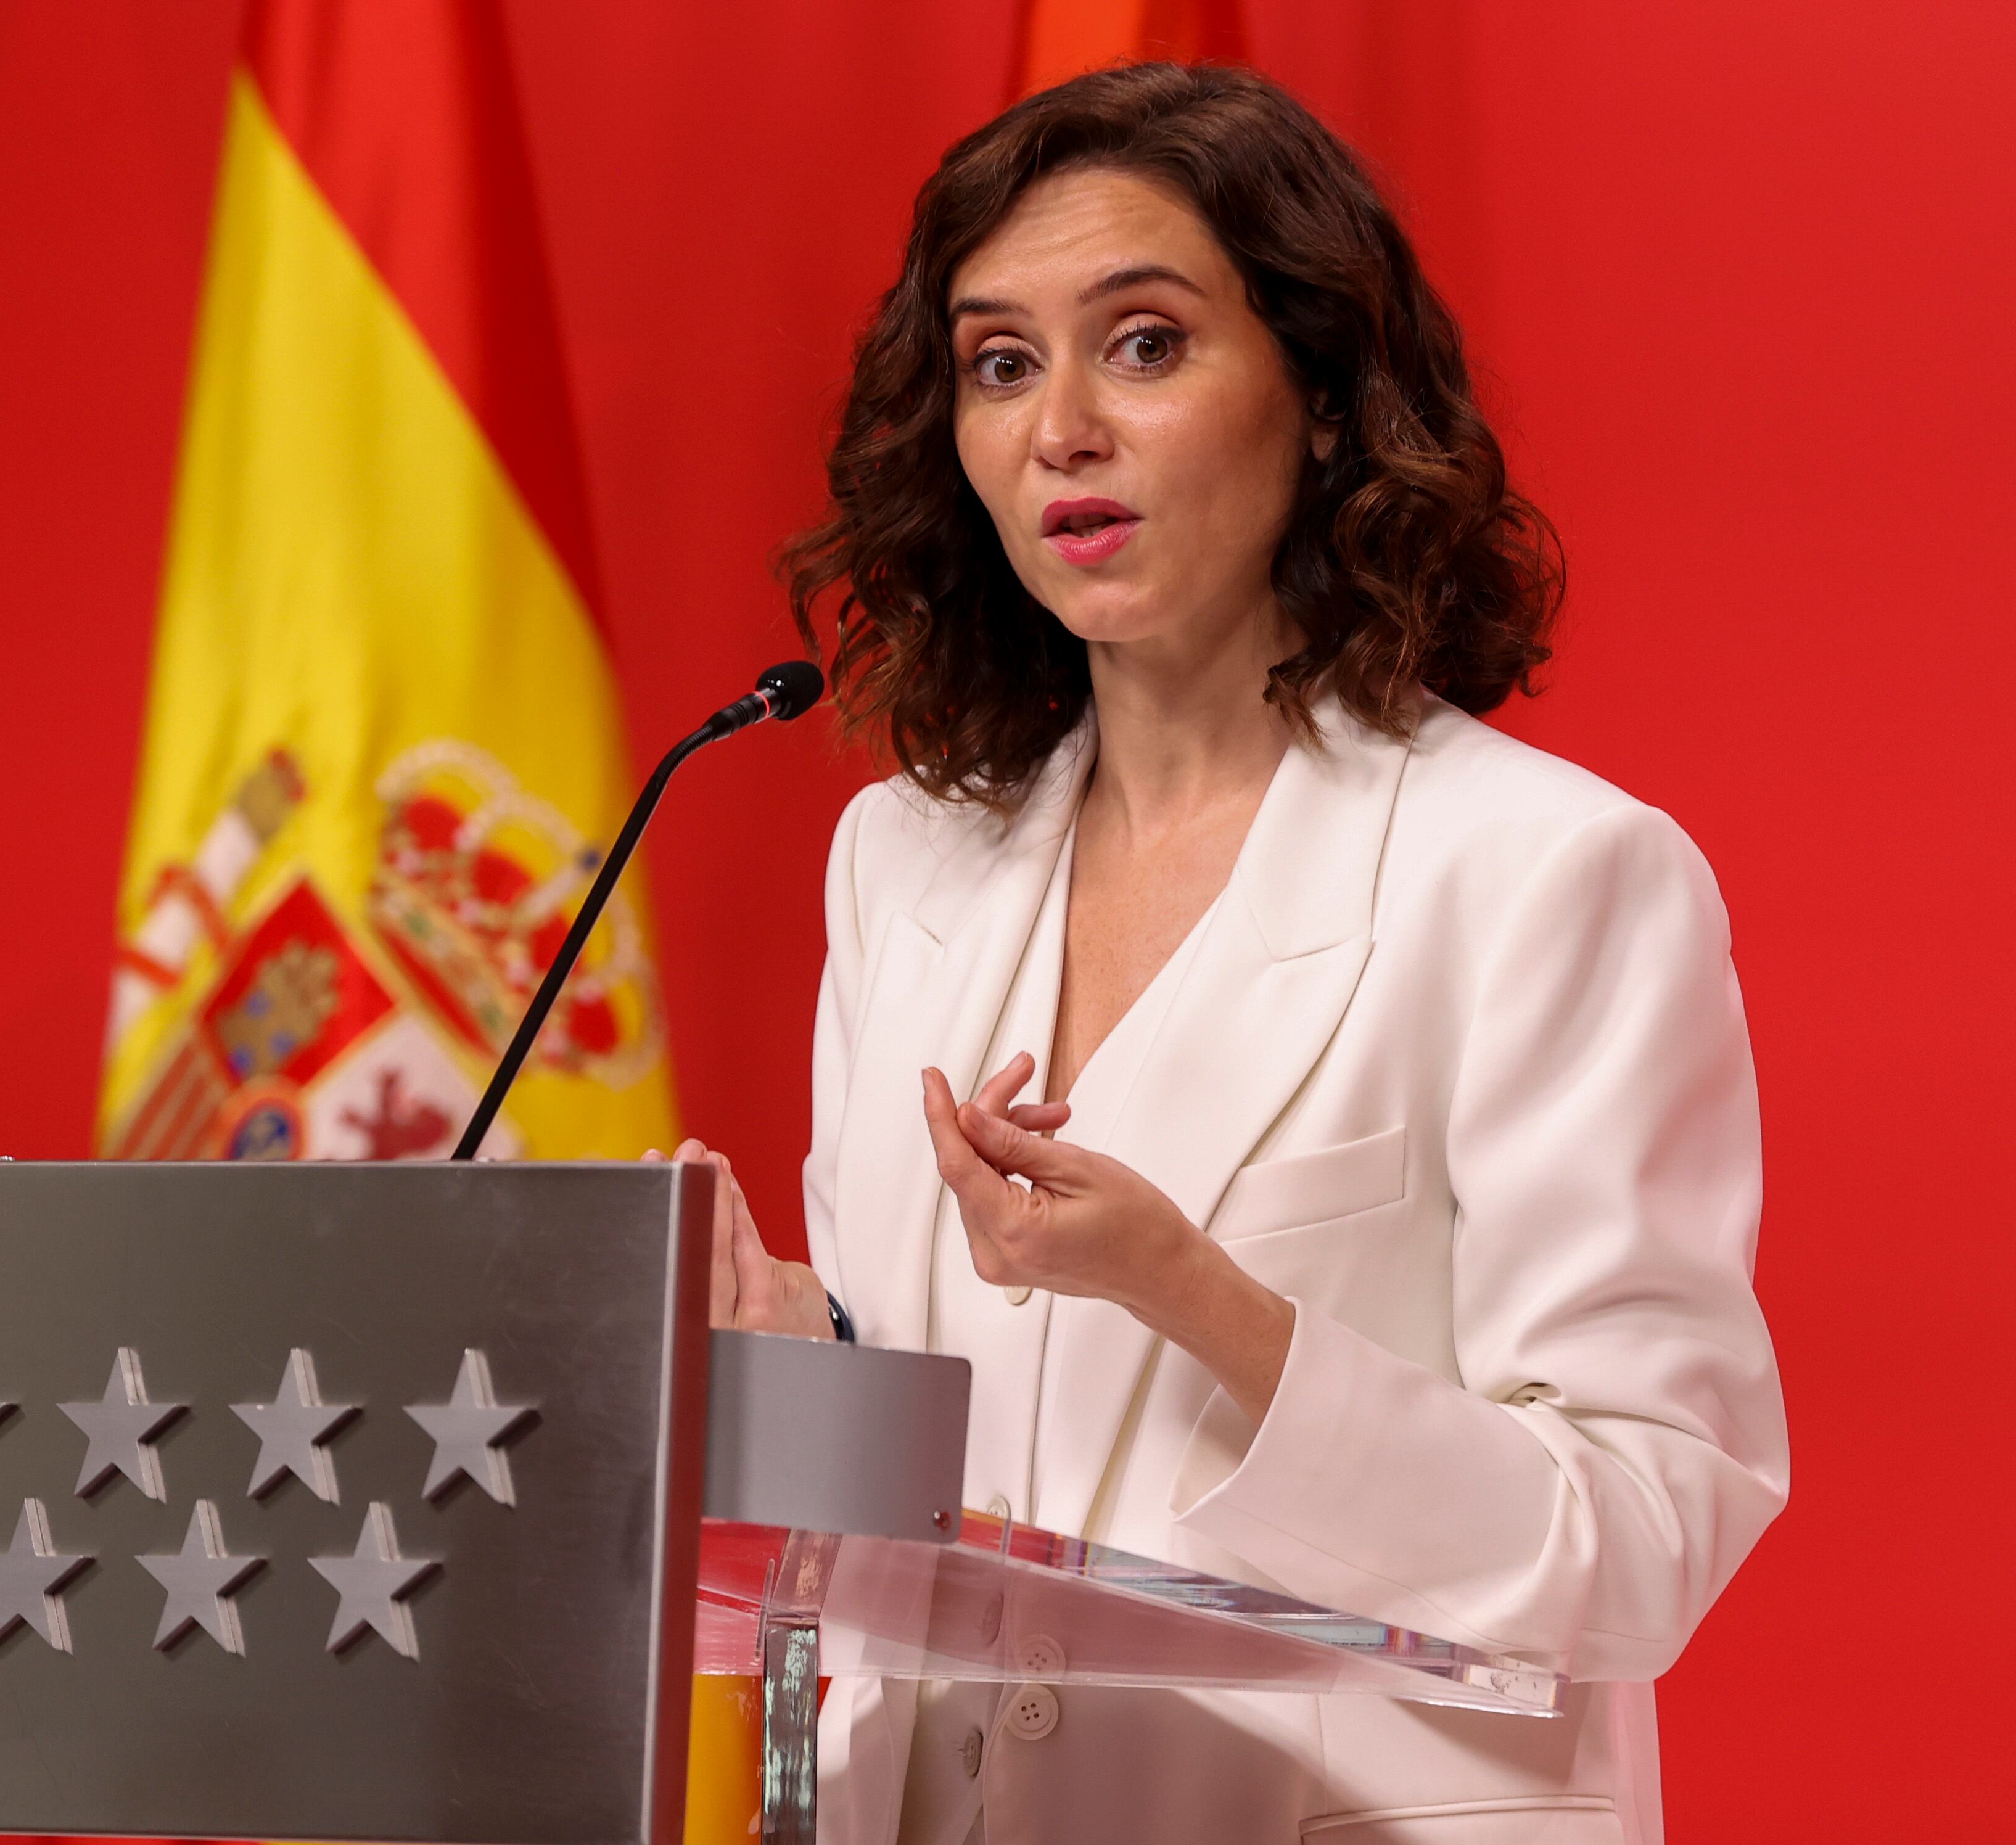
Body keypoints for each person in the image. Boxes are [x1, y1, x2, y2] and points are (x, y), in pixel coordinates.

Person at [652, 62, 1787, 1845]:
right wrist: (796, 1357)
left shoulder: (1550, 873)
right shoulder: (904, 861)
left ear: (1325, 399)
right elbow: (952, 1475)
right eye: (1001, 364)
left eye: (1148, 345)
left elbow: (1638, 1535)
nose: (1060, 433)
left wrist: (1196, 1296)